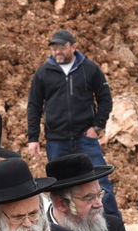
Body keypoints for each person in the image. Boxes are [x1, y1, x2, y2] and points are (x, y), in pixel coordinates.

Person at [24, 28, 118, 216]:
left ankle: (111, 223)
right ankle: (65, 225)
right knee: (60, 186)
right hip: (56, 141)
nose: (57, 51)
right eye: (54, 48)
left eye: (61, 47)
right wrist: (33, 138)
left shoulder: (89, 69)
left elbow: (105, 99)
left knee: (100, 183)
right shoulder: (43, 73)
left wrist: (97, 126)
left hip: (85, 139)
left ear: (73, 47)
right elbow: (34, 105)